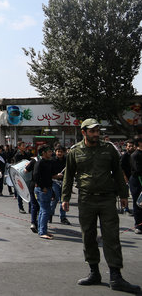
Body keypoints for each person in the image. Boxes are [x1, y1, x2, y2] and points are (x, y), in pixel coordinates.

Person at [62, 119, 140, 293]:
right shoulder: (75, 151)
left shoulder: (109, 149)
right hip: (86, 199)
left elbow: (118, 173)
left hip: (107, 200)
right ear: (84, 132)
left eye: (98, 130)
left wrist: (123, 195)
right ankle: (94, 272)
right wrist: (65, 198)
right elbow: (68, 176)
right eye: (92, 131)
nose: (96, 134)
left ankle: (116, 277)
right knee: (88, 236)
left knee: (111, 237)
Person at [33, 145, 54, 239]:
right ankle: (42, 232)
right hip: (42, 190)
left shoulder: (48, 162)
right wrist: (42, 187)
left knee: (43, 210)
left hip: (47, 188)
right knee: (45, 210)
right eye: (49, 151)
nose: (51, 153)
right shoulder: (40, 162)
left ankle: (42, 230)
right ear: (43, 153)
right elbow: (36, 176)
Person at [49, 146, 70, 225]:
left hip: (64, 182)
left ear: (64, 152)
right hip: (54, 182)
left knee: (64, 200)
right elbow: (49, 173)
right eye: (58, 151)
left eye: (61, 151)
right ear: (55, 152)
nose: (59, 153)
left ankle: (63, 217)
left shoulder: (67, 160)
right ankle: (50, 215)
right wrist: (56, 175)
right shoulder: (52, 160)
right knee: (55, 199)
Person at [129, 136, 142, 234]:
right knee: (138, 202)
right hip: (137, 181)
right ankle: (138, 225)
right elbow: (137, 170)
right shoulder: (135, 155)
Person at [120, 139, 135, 215]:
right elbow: (121, 168)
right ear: (126, 147)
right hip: (126, 177)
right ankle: (125, 208)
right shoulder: (124, 156)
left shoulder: (135, 155)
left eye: (132, 146)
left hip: (133, 177)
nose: (131, 147)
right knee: (125, 194)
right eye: (129, 146)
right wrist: (124, 177)